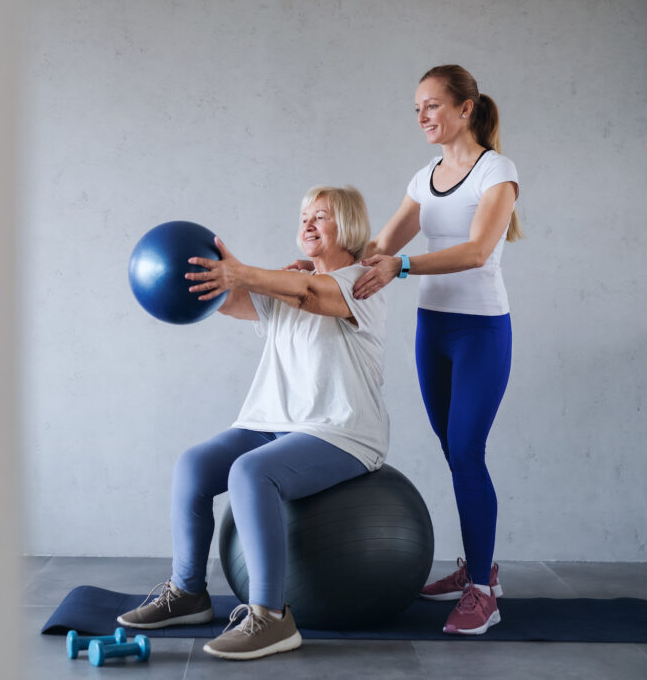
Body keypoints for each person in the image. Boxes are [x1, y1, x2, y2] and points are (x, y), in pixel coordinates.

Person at [118, 186, 389, 660]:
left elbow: (309, 293)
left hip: (341, 431)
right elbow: (227, 300)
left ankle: (270, 617)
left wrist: (243, 271)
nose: (306, 223)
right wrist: (200, 276)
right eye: (303, 215)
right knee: (194, 465)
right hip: (273, 421)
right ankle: (188, 594)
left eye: (320, 216)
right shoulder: (286, 283)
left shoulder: (360, 283)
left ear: (347, 227)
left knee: (250, 472)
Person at [351, 64, 520, 635]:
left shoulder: (497, 172)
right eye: (416, 109)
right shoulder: (425, 176)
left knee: (468, 453)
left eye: (432, 106)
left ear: (465, 109)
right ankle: (480, 567)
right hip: (435, 329)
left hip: (480, 331)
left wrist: (402, 267)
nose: (422, 117)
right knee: (455, 454)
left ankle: (482, 595)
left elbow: (475, 252)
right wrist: (329, 263)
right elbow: (381, 244)